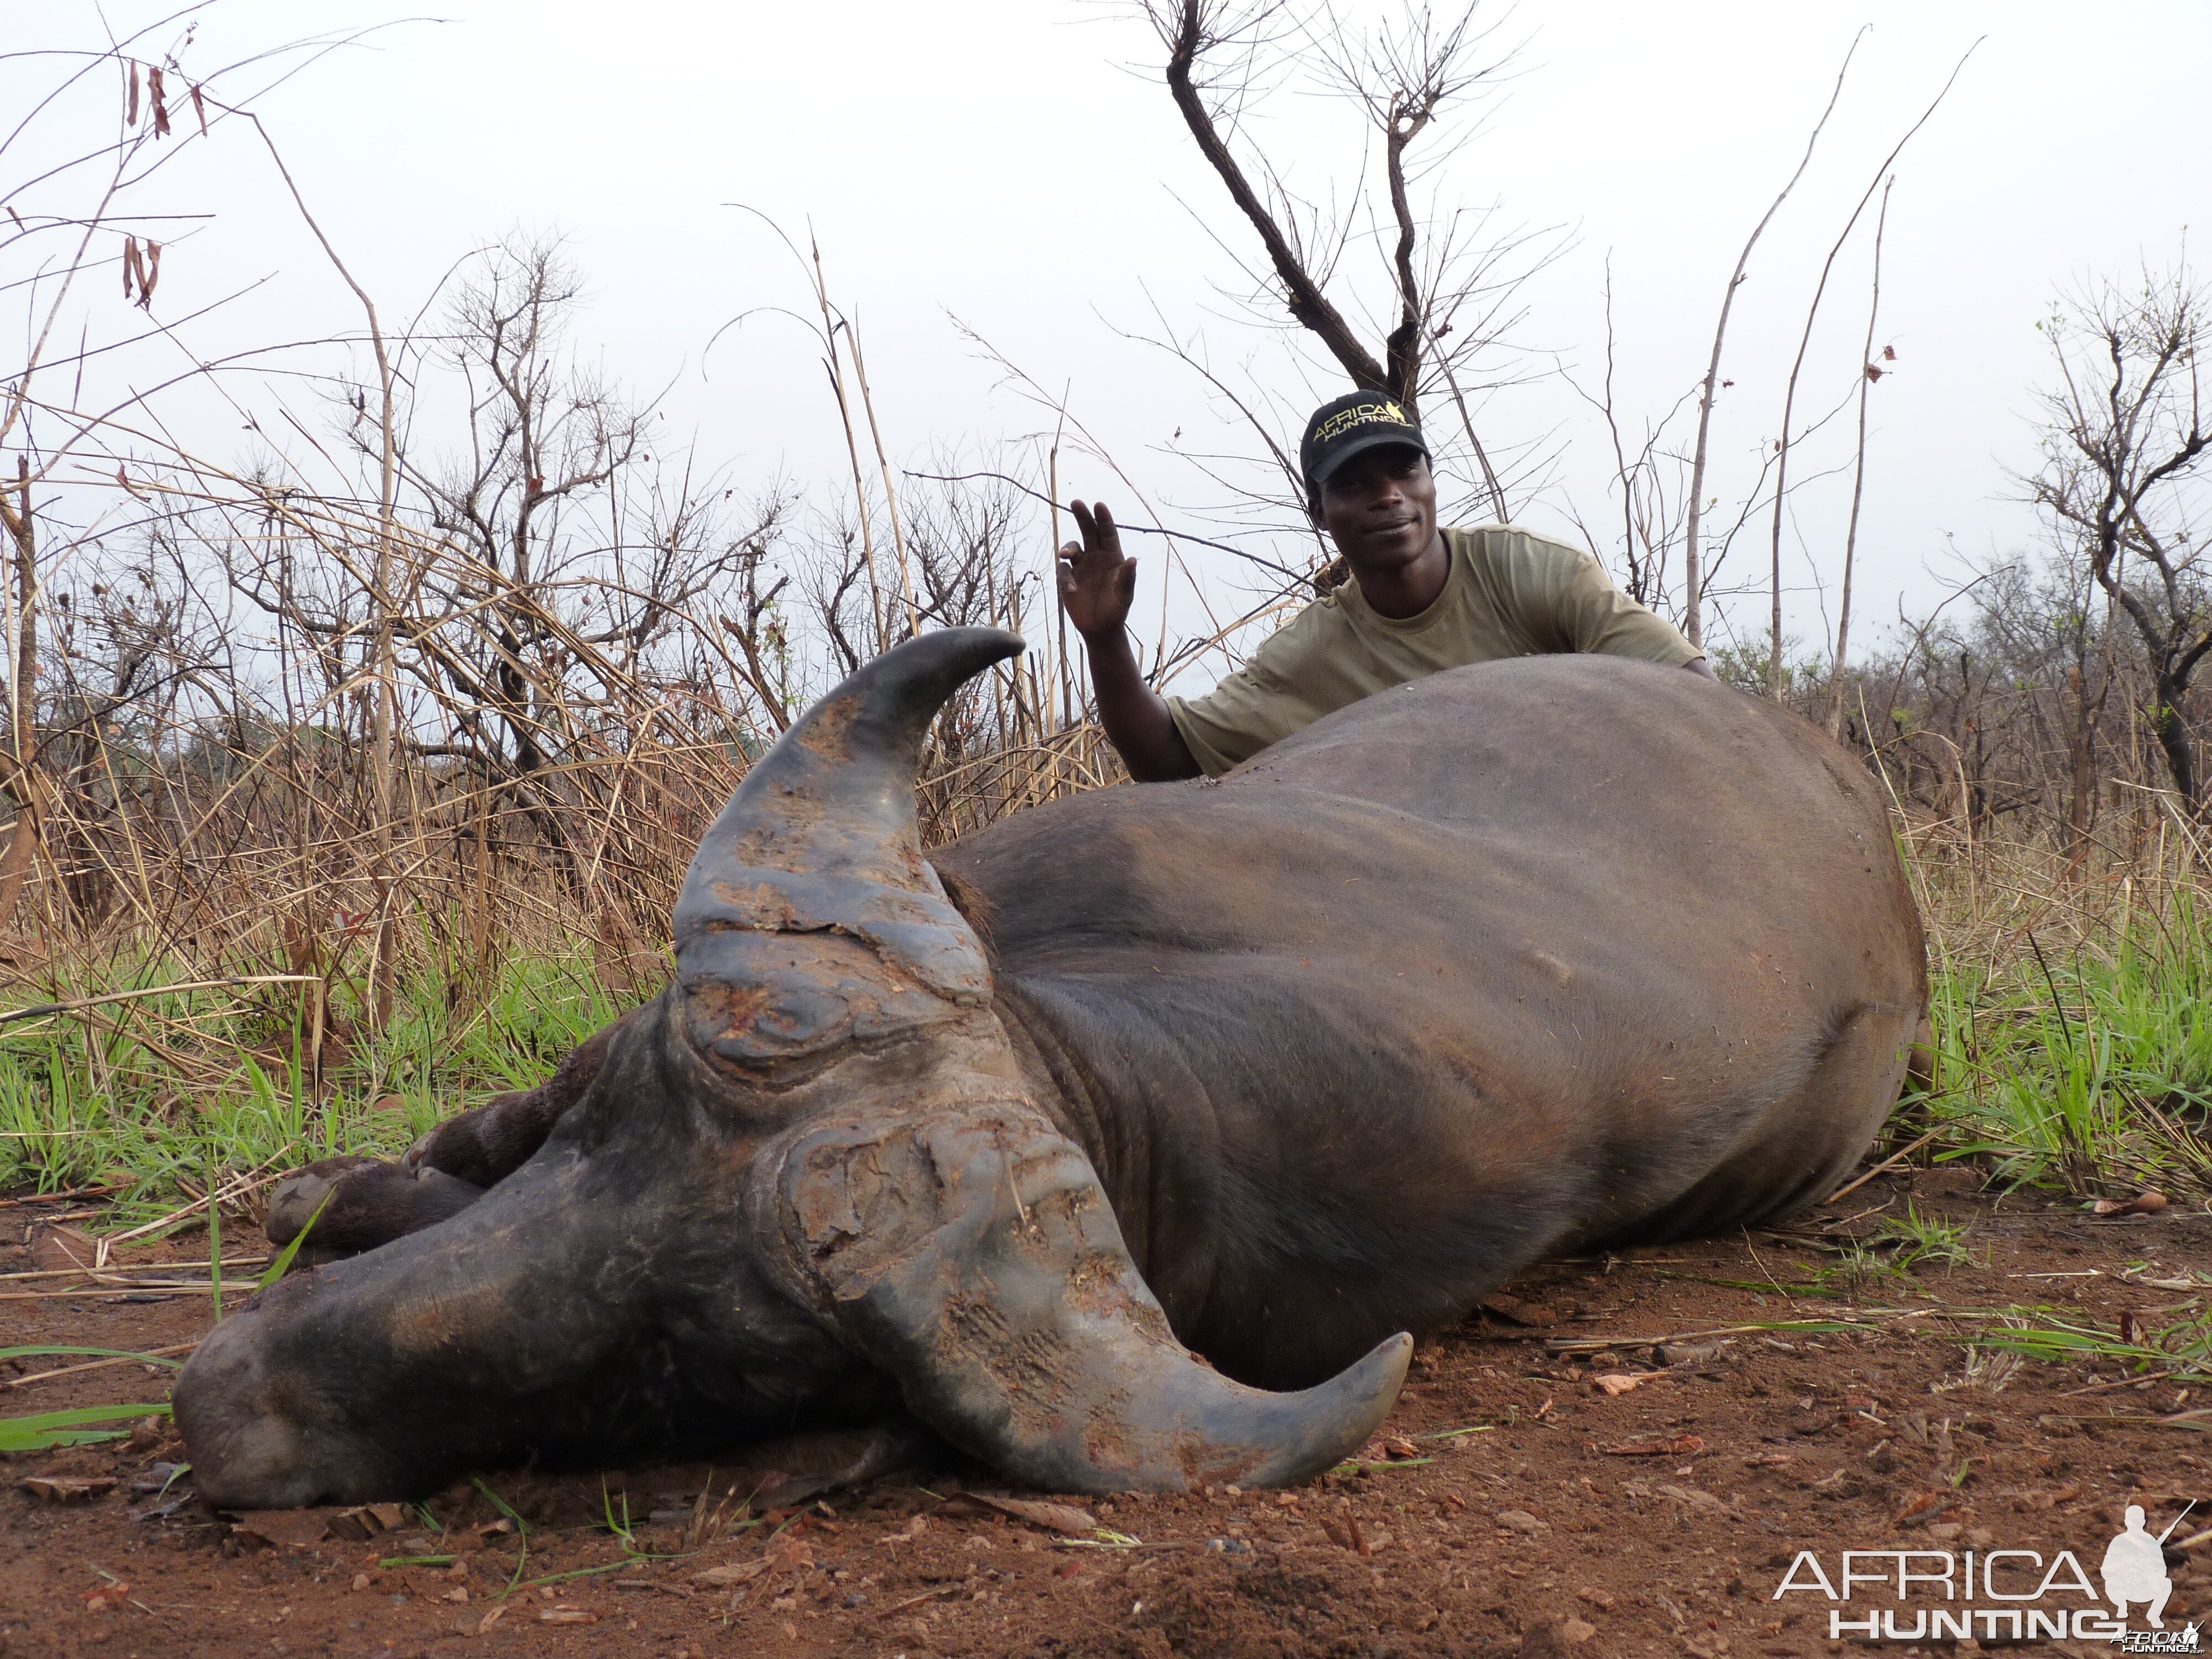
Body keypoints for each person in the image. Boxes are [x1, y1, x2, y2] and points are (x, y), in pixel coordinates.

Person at [1058, 390, 1714, 782]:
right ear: (1318, 511)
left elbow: (1693, 694)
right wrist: (1107, 640)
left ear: (1431, 478)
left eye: (1404, 471)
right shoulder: (1311, 655)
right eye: (1353, 484)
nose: (1389, 497)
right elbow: (1169, 757)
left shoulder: (1532, 571)